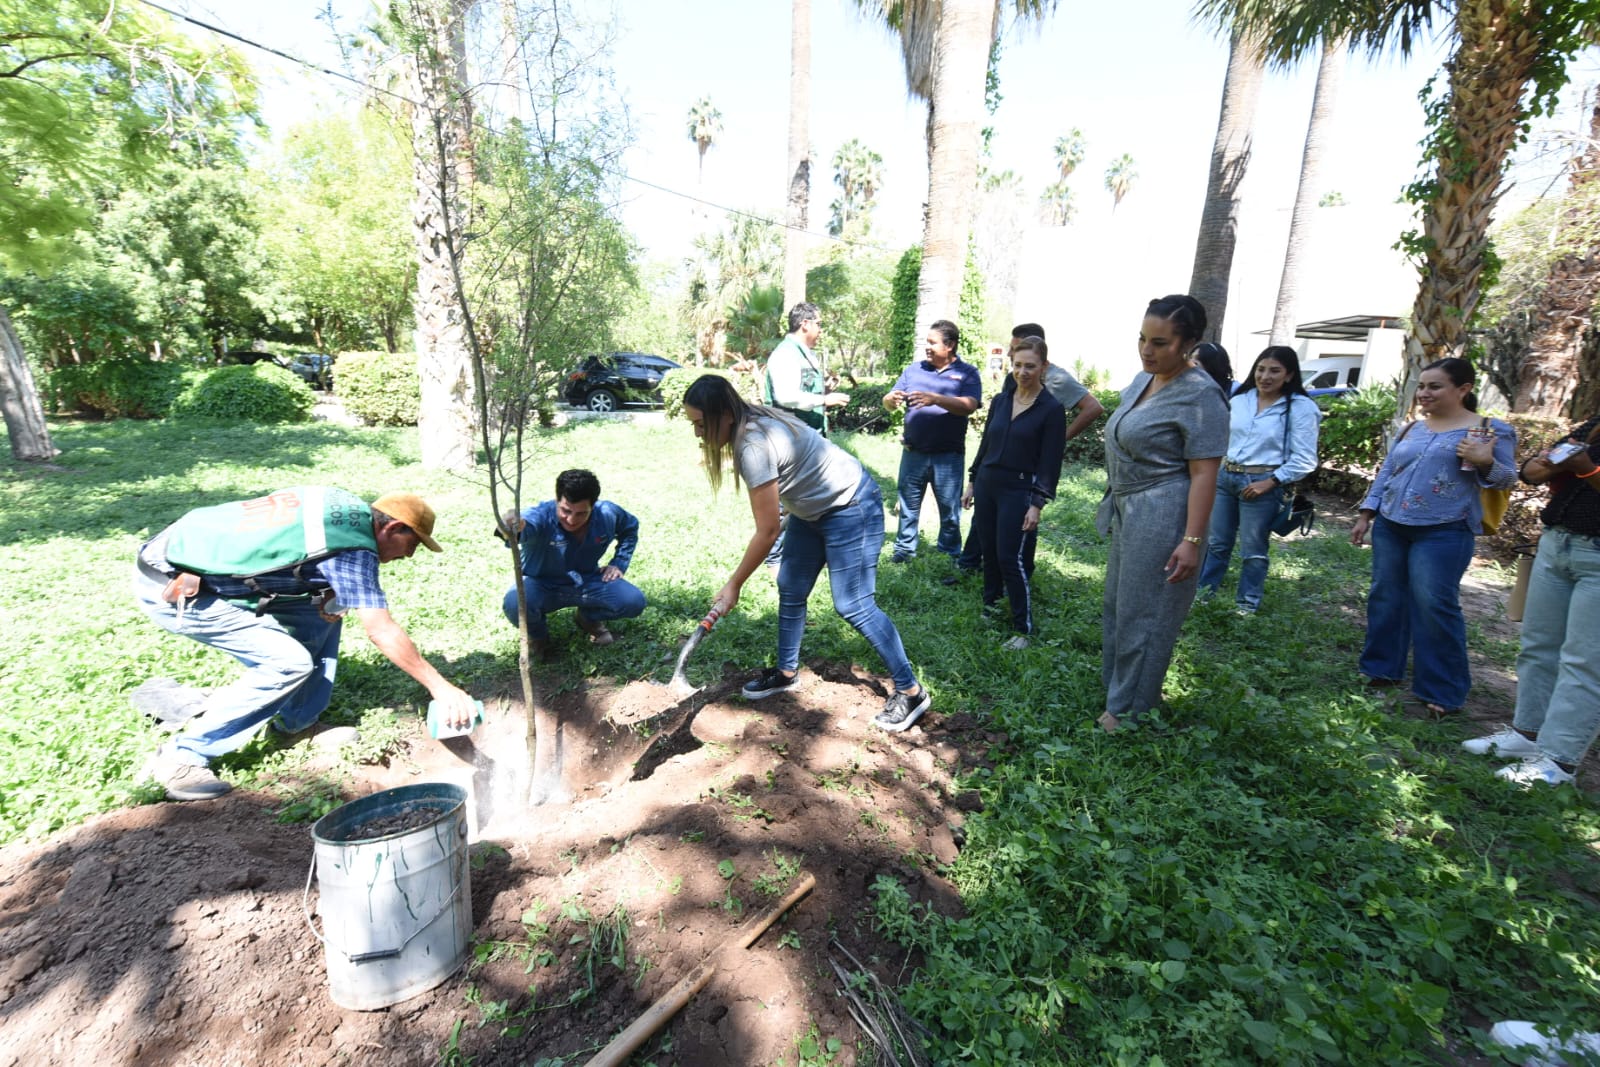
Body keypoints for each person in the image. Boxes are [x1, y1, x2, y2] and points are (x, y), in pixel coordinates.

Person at [133, 488, 479, 801]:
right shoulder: (352, 550)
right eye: (413, 544)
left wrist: (324, 584)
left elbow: (284, 543)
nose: (409, 556)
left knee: (324, 611)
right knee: (287, 663)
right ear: (392, 529)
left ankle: (296, 724)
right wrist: (442, 688)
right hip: (175, 585)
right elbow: (381, 630)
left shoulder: (342, 506)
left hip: (199, 562)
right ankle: (182, 758)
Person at [681, 375, 930, 733]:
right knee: (791, 586)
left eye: (701, 424)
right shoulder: (749, 422)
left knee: (854, 604)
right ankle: (785, 672)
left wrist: (734, 584)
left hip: (850, 504)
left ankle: (911, 691)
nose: (698, 434)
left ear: (725, 415)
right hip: (811, 511)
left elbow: (767, 531)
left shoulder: (753, 445)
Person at [1350, 357, 1516, 716]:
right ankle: (1380, 669)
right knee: (1385, 596)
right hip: (1392, 525)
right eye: (1422, 386)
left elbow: (1507, 479)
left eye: (1434, 386)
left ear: (1463, 389)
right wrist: (1367, 513)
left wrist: (1485, 461)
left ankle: (1442, 689)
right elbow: (1388, 472)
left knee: (1434, 604)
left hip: (1445, 530)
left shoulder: (1490, 430)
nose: (1424, 393)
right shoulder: (1412, 429)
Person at [1096, 295, 1229, 732]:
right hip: (1128, 507)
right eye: (1142, 339)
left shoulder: (1201, 395)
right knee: (1119, 606)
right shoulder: (1143, 379)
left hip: (1165, 511)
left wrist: (1191, 540)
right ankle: (1120, 692)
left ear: (1189, 342)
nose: (1147, 350)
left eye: (1161, 342)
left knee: (1147, 612)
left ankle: (1130, 711)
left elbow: (1205, 474)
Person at [1461, 415, 1600, 786]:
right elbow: (1534, 469)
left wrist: (1585, 468)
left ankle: (1559, 761)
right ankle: (1527, 735)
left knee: (1584, 662)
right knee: (1539, 645)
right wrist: (1538, 466)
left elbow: (1580, 466)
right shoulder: (1595, 425)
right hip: (1559, 543)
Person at [952, 322, 1104, 578]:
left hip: (1028, 470)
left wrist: (1056, 442)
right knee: (986, 517)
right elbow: (990, 434)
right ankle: (971, 565)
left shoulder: (1057, 378)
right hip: (998, 465)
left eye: (1017, 351)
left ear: (1041, 361)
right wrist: (973, 479)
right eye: (1015, 357)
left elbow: (1094, 407)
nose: (1014, 360)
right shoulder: (1013, 381)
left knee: (1022, 525)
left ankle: (1020, 577)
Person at [1197, 346, 1320, 614]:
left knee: (1253, 550)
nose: (1266, 376)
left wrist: (1271, 482)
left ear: (1288, 375)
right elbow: (1221, 437)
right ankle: (1203, 596)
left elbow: (1306, 459)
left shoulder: (1300, 408)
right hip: (1225, 477)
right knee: (1217, 543)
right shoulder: (1240, 399)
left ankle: (1246, 605)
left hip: (1263, 482)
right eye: (1261, 369)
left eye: (1275, 371)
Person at [961, 336, 1066, 650]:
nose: (1022, 371)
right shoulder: (1001, 401)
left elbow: (1050, 463)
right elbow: (985, 446)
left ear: (1043, 367)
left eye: (1030, 366)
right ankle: (990, 607)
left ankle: (1023, 628)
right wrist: (971, 481)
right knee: (989, 552)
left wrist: (1037, 502)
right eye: (1018, 364)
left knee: (1011, 557)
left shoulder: (1051, 409)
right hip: (988, 483)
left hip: (1018, 489)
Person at [499, 468, 645, 655]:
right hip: (541, 584)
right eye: (565, 510)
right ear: (557, 500)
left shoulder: (607, 513)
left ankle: (587, 617)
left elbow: (630, 528)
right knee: (515, 603)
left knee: (633, 601)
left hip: (587, 580)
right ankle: (538, 637)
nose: (571, 519)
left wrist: (619, 562)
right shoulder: (539, 516)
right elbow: (517, 530)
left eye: (581, 513)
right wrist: (509, 526)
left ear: (594, 505)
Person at [883, 319, 982, 564]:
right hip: (913, 452)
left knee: (950, 510)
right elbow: (888, 402)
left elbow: (969, 405)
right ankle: (904, 550)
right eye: (927, 342)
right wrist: (890, 398)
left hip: (948, 456)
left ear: (950, 345)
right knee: (908, 506)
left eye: (932, 343)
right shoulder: (914, 370)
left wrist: (935, 399)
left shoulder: (967, 373)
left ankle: (948, 553)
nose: (927, 347)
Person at [765, 301, 848, 433]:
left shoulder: (805, 354)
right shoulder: (786, 353)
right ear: (805, 324)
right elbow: (786, 397)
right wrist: (824, 400)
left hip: (808, 439)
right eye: (819, 324)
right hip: (791, 440)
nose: (821, 330)